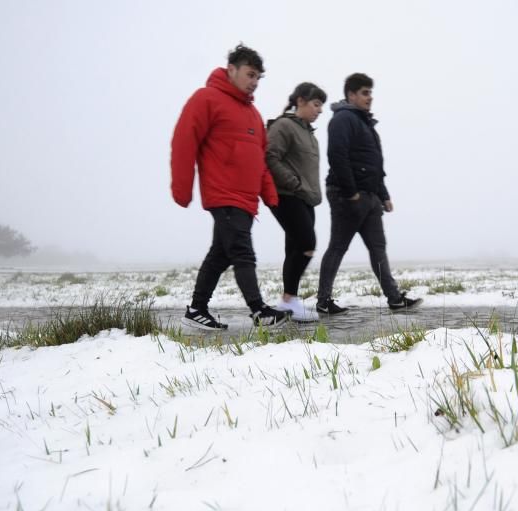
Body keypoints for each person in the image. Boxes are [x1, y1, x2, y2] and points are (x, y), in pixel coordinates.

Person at [171, 44, 290, 329]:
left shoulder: (252, 114)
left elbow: (258, 158)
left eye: (258, 78)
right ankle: (259, 310)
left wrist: (269, 192)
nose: (254, 82)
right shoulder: (206, 99)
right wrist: (182, 189)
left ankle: (197, 309)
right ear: (231, 70)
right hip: (223, 194)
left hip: (246, 199)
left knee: (221, 254)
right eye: (250, 74)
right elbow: (184, 142)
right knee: (242, 252)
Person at [316, 73, 421, 315]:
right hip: (348, 196)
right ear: (351, 95)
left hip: (370, 196)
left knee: (378, 248)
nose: (369, 97)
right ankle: (323, 301)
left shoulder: (366, 124)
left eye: (370, 93)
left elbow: (375, 164)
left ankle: (394, 298)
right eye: (364, 93)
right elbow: (337, 156)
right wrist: (351, 193)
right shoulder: (343, 119)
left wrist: (383, 195)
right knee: (338, 247)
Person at [265, 82, 327, 322]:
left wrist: (308, 191)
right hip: (287, 195)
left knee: (294, 248)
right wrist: (293, 183)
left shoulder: (309, 133)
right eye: (316, 104)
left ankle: (288, 302)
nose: (319, 110)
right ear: (300, 101)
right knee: (307, 243)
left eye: (321, 105)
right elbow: (270, 156)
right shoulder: (284, 126)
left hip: (306, 198)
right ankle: (289, 300)